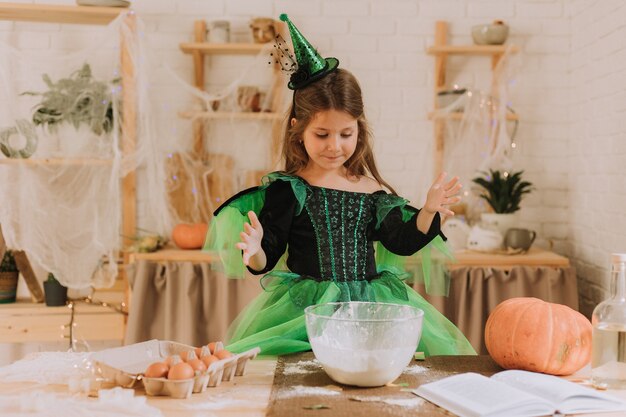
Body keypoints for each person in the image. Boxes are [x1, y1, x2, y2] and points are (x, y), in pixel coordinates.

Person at [204, 14, 475, 356]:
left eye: (346, 134)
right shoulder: (288, 190)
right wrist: (256, 248)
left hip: (369, 311)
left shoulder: (371, 190)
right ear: (297, 131)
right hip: (306, 314)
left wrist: (428, 211)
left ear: (359, 130)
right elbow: (265, 259)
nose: (334, 145)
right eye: (322, 134)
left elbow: (402, 242)